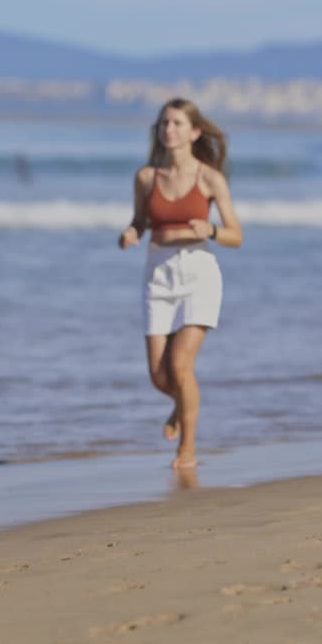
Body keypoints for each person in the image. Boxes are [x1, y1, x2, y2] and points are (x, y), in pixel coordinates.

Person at [118, 98, 243, 470]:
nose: (168, 130)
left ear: (194, 132)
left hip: (198, 272)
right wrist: (130, 231)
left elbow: (237, 234)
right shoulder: (145, 178)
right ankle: (181, 403)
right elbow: (141, 220)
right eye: (163, 124)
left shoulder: (209, 178)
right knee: (159, 376)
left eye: (176, 123)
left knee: (180, 365)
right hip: (157, 273)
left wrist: (214, 230)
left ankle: (187, 449)